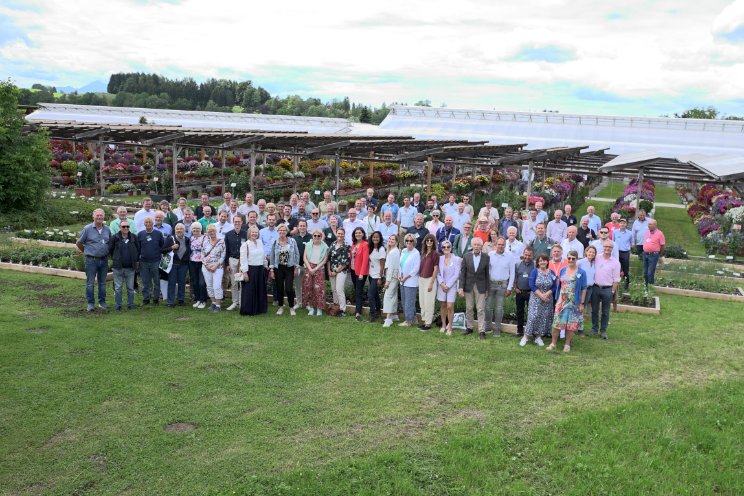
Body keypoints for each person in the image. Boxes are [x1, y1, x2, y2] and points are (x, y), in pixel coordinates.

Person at [547, 250, 587, 353]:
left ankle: (567, 344)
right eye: (569, 258)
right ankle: (553, 343)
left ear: (576, 259)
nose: (571, 260)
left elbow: (584, 288)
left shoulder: (581, 272)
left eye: (573, 258)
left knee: (570, 325)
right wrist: (557, 300)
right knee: (557, 323)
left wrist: (581, 303)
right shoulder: (563, 270)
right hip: (562, 301)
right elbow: (559, 285)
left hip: (574, 302)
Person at [522, 254, 557, 347]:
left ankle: (538, 337)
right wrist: (541, 295)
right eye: (540, 260)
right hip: (536, 298)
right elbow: (531, 285)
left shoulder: (552, 273)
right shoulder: (535, 272)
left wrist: (548, 293)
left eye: (544, 260)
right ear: (537, 262)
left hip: (547, 300)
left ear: (547, 261)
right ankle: (526, 336)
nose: (542, 262)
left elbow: (554, 286)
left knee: (543, 318)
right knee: (533, 317)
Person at [458, 237, 489, 338]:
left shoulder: (486, 257)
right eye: (474, 244)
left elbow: (487, 274)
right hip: (468, 286)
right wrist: (460, 287)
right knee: (469, 308)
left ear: (481, 246)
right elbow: (462, 273)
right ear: (472, 246)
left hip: (481, 286)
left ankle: (481, 331)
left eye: (478, 245)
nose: (476, 246)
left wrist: (487, 289)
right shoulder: (466, 256)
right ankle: (469, 328)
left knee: (480, 309)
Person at [485, 237, 515, 337]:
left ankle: (497, 329)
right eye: (499, 244)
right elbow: (487, 271)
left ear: (505, 245)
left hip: (502, 285)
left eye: (502, 245)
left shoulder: (510, 256)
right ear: (495, 245)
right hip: (490, 284)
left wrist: (509, 288)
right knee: (488, 307)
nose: (500, 246)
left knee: (499, 308)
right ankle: (488, 326)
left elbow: (512, 273)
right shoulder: (490, 255)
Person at [591, 241, 620, 339]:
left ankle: (603, 331)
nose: (607, 248)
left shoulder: (616, 263)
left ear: (612, 249)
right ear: (603, 247)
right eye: (606, 246)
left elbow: (616, 279)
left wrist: (612, 291)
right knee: (594, 310)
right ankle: (594, 328)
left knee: (605, 312)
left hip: (607, 289)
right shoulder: (597, 258)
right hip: (595, 287)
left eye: (610, 247)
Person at [269, 224, 300, 315]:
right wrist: (271, 270)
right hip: (278, 268)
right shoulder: (275, 242)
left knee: (289, 288)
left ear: (286, 232)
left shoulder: (292, 241)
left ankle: (291, 307)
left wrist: (296, 267)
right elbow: (272, 256)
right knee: (279, 288)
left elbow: (297, 255)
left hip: (289, 267)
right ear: (277, 232)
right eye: (280, 230)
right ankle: (280, 307)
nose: (282, 232)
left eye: (284, 230)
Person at [108, 218, 139, 311]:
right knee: (118, 288)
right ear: (119, 227)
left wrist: (136, 261)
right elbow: (110, 249)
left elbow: (138, 249)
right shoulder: (115, 238)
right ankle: (118, 305)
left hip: (130, 267)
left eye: (127, 226)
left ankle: (130, 304)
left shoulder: (134, 237)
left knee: (130, 287)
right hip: (118, 267)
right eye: (123, 226)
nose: (125, 228)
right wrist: (116, 258)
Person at [238, 226, 268, 316]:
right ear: (249, 233)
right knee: (249, 291)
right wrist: (244, 272)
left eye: (256, 232)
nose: (254, 234)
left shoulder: (260, 242)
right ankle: (248, 310)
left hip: (260, 269)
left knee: (260, 289)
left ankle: (259, 309)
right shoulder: (245, 244)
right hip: (250, 270)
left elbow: (263, 255)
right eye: (253, 232)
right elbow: (243, 259)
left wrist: (266, 266)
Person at [137, 216, 165, 306]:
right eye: (146, 222)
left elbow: (162, 246)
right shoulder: (140, 234)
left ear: (153, 223)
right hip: (144, 261)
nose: (148, 224)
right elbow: (138, 248)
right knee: (145, 281)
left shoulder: (158, 234)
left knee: (156, 281)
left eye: (150, 222)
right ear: (144, 224)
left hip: (156, 261)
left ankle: (156, 299)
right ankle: (146, 299)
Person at [303, 229, 330, 316]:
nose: (317, 237)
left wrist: (315, 269)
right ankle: (311, 308)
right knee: (308, 288)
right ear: (312, 236)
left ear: (321, 237)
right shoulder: (308, 245)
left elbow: (325, 260)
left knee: (319, 289)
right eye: (315, 235)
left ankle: (319, 309)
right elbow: (305, 258)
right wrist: (310, 268)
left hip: (319, 268)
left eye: (319, 236)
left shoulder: (325, 247)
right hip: (308, 267)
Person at [437, 240, 462, 335]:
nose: (446, 248)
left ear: (451, 248)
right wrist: (442, 283)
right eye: (444, 247)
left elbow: (457, 274)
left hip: (451, 286)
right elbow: (438, 273)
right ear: (442, 248)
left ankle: (450, 327)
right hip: (442, 285)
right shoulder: (440, 259)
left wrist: (448, 285)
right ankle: (443, 325)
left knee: (450, 306)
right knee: (443, 305)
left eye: (448, 247)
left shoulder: (457, 259)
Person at [163, 223, 190, 307]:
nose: (179, 230)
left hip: (184, 265)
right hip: (173, 265)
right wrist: (171, 248)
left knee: (182, 283)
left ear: (184, 230)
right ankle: (170, 301)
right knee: (172, 283)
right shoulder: (170, 239)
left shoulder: (187, 239)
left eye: (181, 229)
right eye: (177, 229)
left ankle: (181, 299)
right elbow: (162, 250)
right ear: (175, 230)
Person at [224, 215, 247, 311]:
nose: (237, 223)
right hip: (232, 260)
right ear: (233, 222)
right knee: (233, 283)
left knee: (242, 282)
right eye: (235, 221)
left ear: (242, 222)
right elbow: (226, 250)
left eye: (239, 221)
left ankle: (242, 302)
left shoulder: (246, 234)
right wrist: (227, 264)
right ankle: (235, 302)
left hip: (243, 261)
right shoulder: (228, 234)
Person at [201, 224, 226, 312]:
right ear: (207, 233)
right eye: (210, 231)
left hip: (217, 267)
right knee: (209, 286)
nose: (212, 233)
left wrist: (215, 266)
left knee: (217, 286)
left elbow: (223, 255)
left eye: (213, 231)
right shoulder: (205, 241)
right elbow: (202, 255)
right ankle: (213, 303)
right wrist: (206, 265)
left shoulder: (221, 241)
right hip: (206, 267)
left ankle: (218, 305)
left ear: (216, 231)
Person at [398, 234, 421, 327]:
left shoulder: (416, 253)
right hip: (402, 280)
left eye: (411, 241)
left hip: (410, 281)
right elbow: (399, 265)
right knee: (404, 300)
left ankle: (408, 320)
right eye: (407, 240)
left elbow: (416, 269)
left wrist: (405, 277)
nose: (409, 242)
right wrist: (399, 275)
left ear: (414, 242)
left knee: (409, 302)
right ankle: (414, 318)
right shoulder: (403, 251)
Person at [417, 234, 439, 330]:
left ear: (433, 242)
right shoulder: (423, 253)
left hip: (430, 279)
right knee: (422, 302)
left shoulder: (435, 254)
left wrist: (431, 282)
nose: (429, 242)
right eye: (427, 240)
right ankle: (425, 320)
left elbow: (436, 269)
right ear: (425, 242)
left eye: (431, 240)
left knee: (429, 302)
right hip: (421, 279)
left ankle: (428, 323)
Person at [328, 227, 350, 317]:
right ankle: (336, 306)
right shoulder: (333, 244)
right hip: (331, 271)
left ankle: (342, 309)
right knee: (333, 289)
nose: (340, 235)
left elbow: (345, 262)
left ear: (344, 235)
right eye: (338, 233)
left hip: (341, 271)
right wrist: (329, 270)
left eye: (342, 233)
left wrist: (335, 272)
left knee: (339, 290)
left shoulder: (346, 246)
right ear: (336, 234)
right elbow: (328, 258)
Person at [349, 227, 370, 322]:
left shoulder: (365, 244)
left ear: (363, 234)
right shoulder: (353, 244)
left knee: (358, 292)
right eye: (356, 233)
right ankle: (358, 308)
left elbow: (365, 260)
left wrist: (361, 273)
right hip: (353, 270)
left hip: (361, 272)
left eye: (359, 233)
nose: (358, 234)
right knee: (357, 290)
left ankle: (358, 312)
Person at [514, 246, 535, 337]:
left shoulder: (535, 265)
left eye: (529, 255)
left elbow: (537, 278)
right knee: (520, 312)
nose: (527, 257)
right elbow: (514, 277)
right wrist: (515, 288)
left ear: (532, 256)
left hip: (531, 293)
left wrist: (534, 290)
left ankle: (530, 331)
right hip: (520, 292)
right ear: (523, 254)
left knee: (531, 312)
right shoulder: (518, 264)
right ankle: (519, 331)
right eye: (526, 254)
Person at [577, 245, 597, 336]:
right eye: (590, 252)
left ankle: (578, 327)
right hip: (581, 289)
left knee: (582, 308)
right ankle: (579, 329)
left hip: (590, 289)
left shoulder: (594, 263)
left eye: (593, 252)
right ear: (586, 252)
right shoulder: (580, 262)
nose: (591, 254)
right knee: (579, 308)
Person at [292, 220, 312, 311]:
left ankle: (307, 303)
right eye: (301, 226)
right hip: (298, 266)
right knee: (298, 285)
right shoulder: (294, 238)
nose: (302, 227)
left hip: (308, 266)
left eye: (304, 226)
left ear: (306, 227)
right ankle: (299, 303)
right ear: (298, 227)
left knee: (307, 286)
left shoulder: (311, 237)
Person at [367, 231, 386, 322]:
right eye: (374, 237)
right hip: (371, 274)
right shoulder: (370, 248)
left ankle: (372, 314)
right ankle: (378, 311)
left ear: (380, 238)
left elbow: (382, 264)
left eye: (377, 237)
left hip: (377, 276)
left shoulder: (381, 249)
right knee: (375, 295)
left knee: (370, 295)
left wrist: (380, 277)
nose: (375, 239)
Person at [382, 234, 400, 328]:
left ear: (396, 242)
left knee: (388, 296)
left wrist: (387, 281)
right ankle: (394, 315)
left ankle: (388, 319)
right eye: (390, 238)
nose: (390, 240)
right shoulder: (392, 251)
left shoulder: (394, 252)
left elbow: (391, 267)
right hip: (393, 277)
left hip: (392, 277)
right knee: (393, 296)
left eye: (393, 239)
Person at [188, 223, 208, 309]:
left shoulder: (205, 238)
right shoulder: (190, 238)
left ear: (200, 229)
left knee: (201, 282)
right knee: (195, 282)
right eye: (194, 229)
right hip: (192, 262)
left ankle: (203, 300)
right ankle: (198, 299)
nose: (195, 230)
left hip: (202, 262)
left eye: (197, 228)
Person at [642, 219, 665, 286]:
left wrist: (659, 254)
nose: (648, 226)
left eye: (650, 224)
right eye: (648, 224)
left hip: (653, 255)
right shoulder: (647, 232)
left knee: (650, 272)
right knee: (645, 272)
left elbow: (662, 245)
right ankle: (646, 287)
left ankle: (650, 288)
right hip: (645, 254)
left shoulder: (660, 233)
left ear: (655, 225)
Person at [613, 218, 633, 289]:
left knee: (625, 269)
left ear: (626, 224)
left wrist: (627, 248)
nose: (622, 224)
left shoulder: (630, 233)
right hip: (616, 252)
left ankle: (626, 284)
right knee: (616, 268)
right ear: (619, 224)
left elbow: (631, 243)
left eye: (624, 223)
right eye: (621, 223)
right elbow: (613, 242)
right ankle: (616, 284)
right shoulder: (615, 232)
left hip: (625, 253)